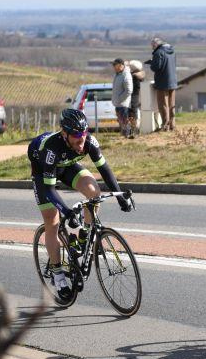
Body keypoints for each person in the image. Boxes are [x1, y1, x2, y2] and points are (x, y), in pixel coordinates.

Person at [28, 108, 134, 300]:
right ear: (64, 134)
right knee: (53, 220)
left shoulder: (89, 142)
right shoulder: (52, 149)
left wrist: (120, 197)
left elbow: (104, 169)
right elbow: (50, 190)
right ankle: (58, 275)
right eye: (76, 138)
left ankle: (85, 235)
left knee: (94, 192)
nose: (81, 142)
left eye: (83, 137)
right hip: (43, 172)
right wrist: (67, 212)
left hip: (67, 166)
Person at [147, 37, 177, 131]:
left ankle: (165, 126)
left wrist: (152, 63)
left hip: (162, 82)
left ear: (156, 44)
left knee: (163, 104)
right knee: (172, 104)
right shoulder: (172, 51)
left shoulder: (158, 52)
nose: (152, 47)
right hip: (172, 81)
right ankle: (172, 125)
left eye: (152, 45)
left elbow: (156, 67)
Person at [111, 58, 133, 137]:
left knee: (124, 121)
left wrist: (120, 99)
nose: (113, 67)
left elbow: (129, 90)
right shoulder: (118, 75)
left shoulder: (126, 75)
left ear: (120, 65)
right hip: (118, 103)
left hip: (123, 103)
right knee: (121, 121)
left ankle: (127, 136)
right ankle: (124, 135)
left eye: (115, 65)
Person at [127, 59, 144, 139]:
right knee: (134, 114)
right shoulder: (139, 75)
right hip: (136, 97)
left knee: (132, 115)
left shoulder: (133, 76)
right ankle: (134, 131)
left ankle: (133, 131)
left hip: (132, 97)